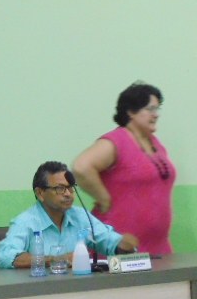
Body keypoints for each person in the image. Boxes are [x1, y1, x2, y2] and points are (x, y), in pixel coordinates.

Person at [72, 82, 176, 255]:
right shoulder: (116, 141)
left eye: (157, 109)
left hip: (157, 246)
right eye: (150, 109)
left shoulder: (155, 143)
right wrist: (103, 198)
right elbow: (81, 167)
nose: (156, 114)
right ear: (131, 111)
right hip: (118, 246)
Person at [0, 161, 139, 269]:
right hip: (38, 293)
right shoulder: (26, 222)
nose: (68, 194)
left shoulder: (80, 216)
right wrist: (54, 260)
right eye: (60, 188)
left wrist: (123, 245)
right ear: (40, 193)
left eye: (70, 188)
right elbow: (5, 257)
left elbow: (108, 241)